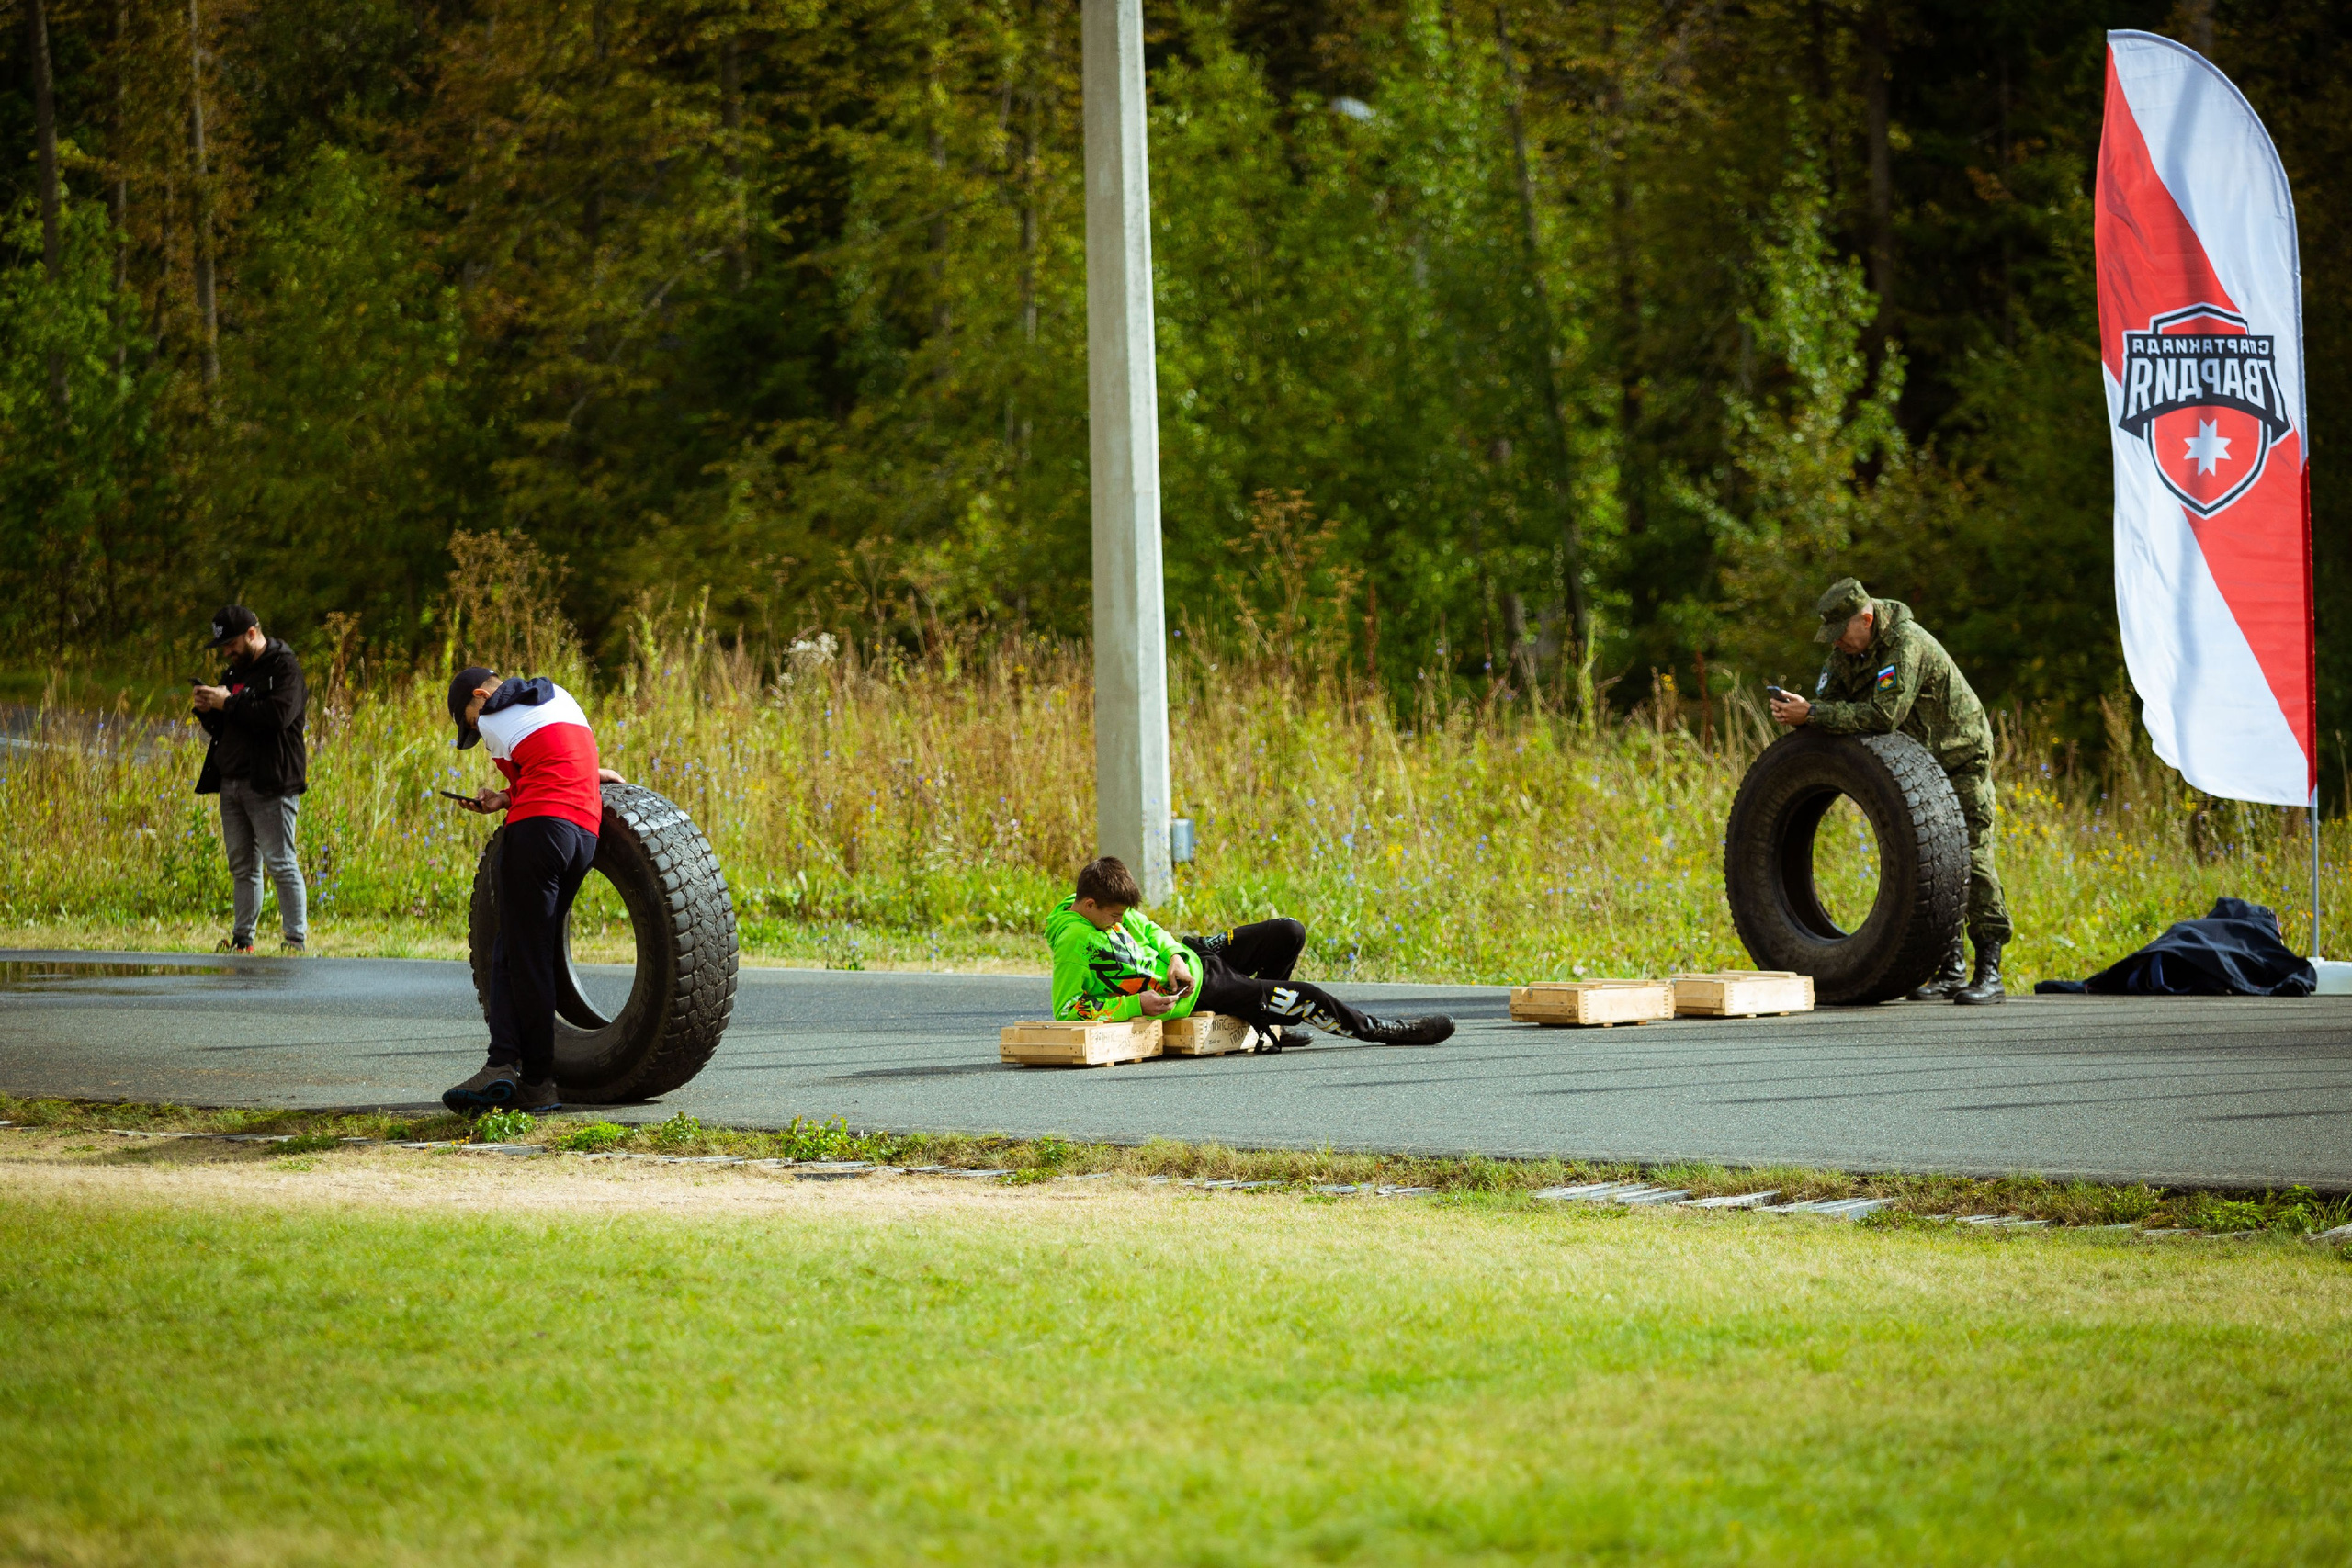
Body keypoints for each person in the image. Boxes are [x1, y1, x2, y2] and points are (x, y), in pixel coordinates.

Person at [1770, 577, 2011, 1004]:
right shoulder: (1848, 650)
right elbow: (1831, 703)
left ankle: (1989, 969)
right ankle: (1951, 968)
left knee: (1970, 855)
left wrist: (1816, 713)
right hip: (1918, 763)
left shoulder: (1906, 643)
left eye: (1841, 633)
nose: (1836, 643)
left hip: (1958, 756)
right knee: (1930, 856)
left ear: (1866, 618)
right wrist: (1804, 710)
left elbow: (1884, 715)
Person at [437, 666, 627, 1115]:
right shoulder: (557, 696)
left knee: (526, 955)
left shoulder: (492, 719)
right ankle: (503, 1061)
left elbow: (530, 773)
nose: (476, 733)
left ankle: (533, 1079)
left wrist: (512, 793)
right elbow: (553, 762)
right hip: (583, 833)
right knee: (514, 947)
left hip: (539, 831)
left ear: (481, 695)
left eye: (468, 721)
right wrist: (503, 797)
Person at [1045, 856, 1454, 1045]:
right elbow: (1067, 1010)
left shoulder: (1101, 904)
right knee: (1308, 996)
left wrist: (1173, 956)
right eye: (1114, 916)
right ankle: (1385, 1030)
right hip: (1197, 994)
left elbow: (1152, 930)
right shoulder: (1074, 943)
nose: (1120, 922)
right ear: (1090, 906)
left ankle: (1267, 1019)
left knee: (1288, 931)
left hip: (1194, 959)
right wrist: (1135, 1004)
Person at [191, 605, 309, 955]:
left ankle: (295, 940)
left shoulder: (284, 667)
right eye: (222, 646)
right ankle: (243, 939)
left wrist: (229, 702)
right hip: (233, 781)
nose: (227, 652)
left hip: (271, 781)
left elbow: (277, 717)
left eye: (231, 643)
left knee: (280, 861)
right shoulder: (234, 671)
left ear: (252, 634)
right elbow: (227, 724)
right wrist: (207, 709)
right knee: (242, 865)